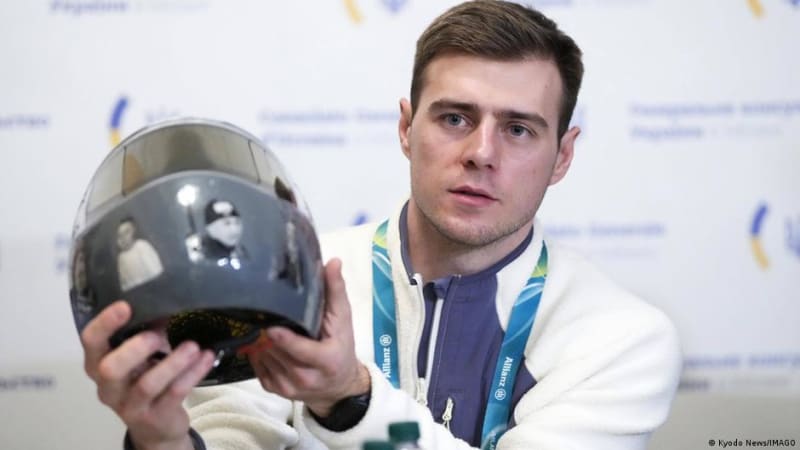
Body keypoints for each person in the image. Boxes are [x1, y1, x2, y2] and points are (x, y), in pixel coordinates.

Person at [79, 1, 681, 449]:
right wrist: (163, 439)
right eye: (454, 118)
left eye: (519, 129)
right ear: (405, 127)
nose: (481, 152)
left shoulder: (622, 339)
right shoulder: (286, 282)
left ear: (564, 156)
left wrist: (350, 396)